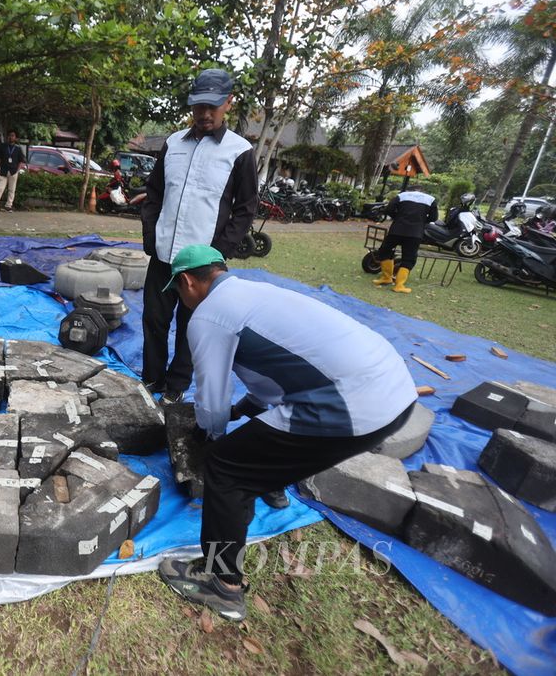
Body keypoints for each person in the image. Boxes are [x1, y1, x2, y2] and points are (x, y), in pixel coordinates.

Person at [156, 244, 417, 622]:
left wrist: (210, 438)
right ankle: (259, 490)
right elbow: (271, 383)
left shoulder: (210, 315)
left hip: (351, 404)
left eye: (178, 293)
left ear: (187, 281)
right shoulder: (255, 294)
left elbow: (211, 398)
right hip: (396, 395)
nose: (182, 301)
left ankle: (223, 584)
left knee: (225, 468)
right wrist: (243, 413)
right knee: (251, 455)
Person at [140, 68, 258, 406]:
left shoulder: (239, 151)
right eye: (198, 106)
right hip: (163, 256)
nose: (205, 114)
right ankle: (152, 378)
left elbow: (246, 208)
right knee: (154, 320)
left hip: (203, 265)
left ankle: (176, 386)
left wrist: (218, 253)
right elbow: (154, 194)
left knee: (193, 326)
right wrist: (151, 235)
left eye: (213, 106)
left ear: (228, 103)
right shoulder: (173, 143)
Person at [372, 184, 438, 294]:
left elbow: (389, 209)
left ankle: (386, 278)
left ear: (410, 190)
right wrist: (421, 221)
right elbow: (433, 218)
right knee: (408, 258)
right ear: (422, 191)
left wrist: (397, 217)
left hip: (397, 230)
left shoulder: (402, 195)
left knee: (385, 251)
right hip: (415, 233)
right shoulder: (431, 200)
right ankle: (399, 285)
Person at [0, 130, 25, 212]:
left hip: (13, 172)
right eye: (9, 135)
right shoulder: (3, 147)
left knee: (12, 190)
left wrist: (17, 171)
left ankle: (8, 206)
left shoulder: (18, 148)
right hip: (3, 171)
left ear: (15, 138)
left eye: (13, 135)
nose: (11, 137)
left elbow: (21, 161)